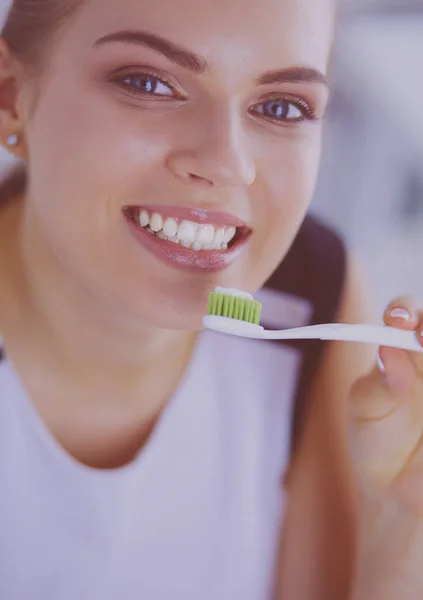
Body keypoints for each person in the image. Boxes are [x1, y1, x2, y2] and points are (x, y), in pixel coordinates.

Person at [0, 1, 422, 599]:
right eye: (149, 83)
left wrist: (403, 524)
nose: (226, 164)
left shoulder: (315, 295)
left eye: (282, 107)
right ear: (11, 94)